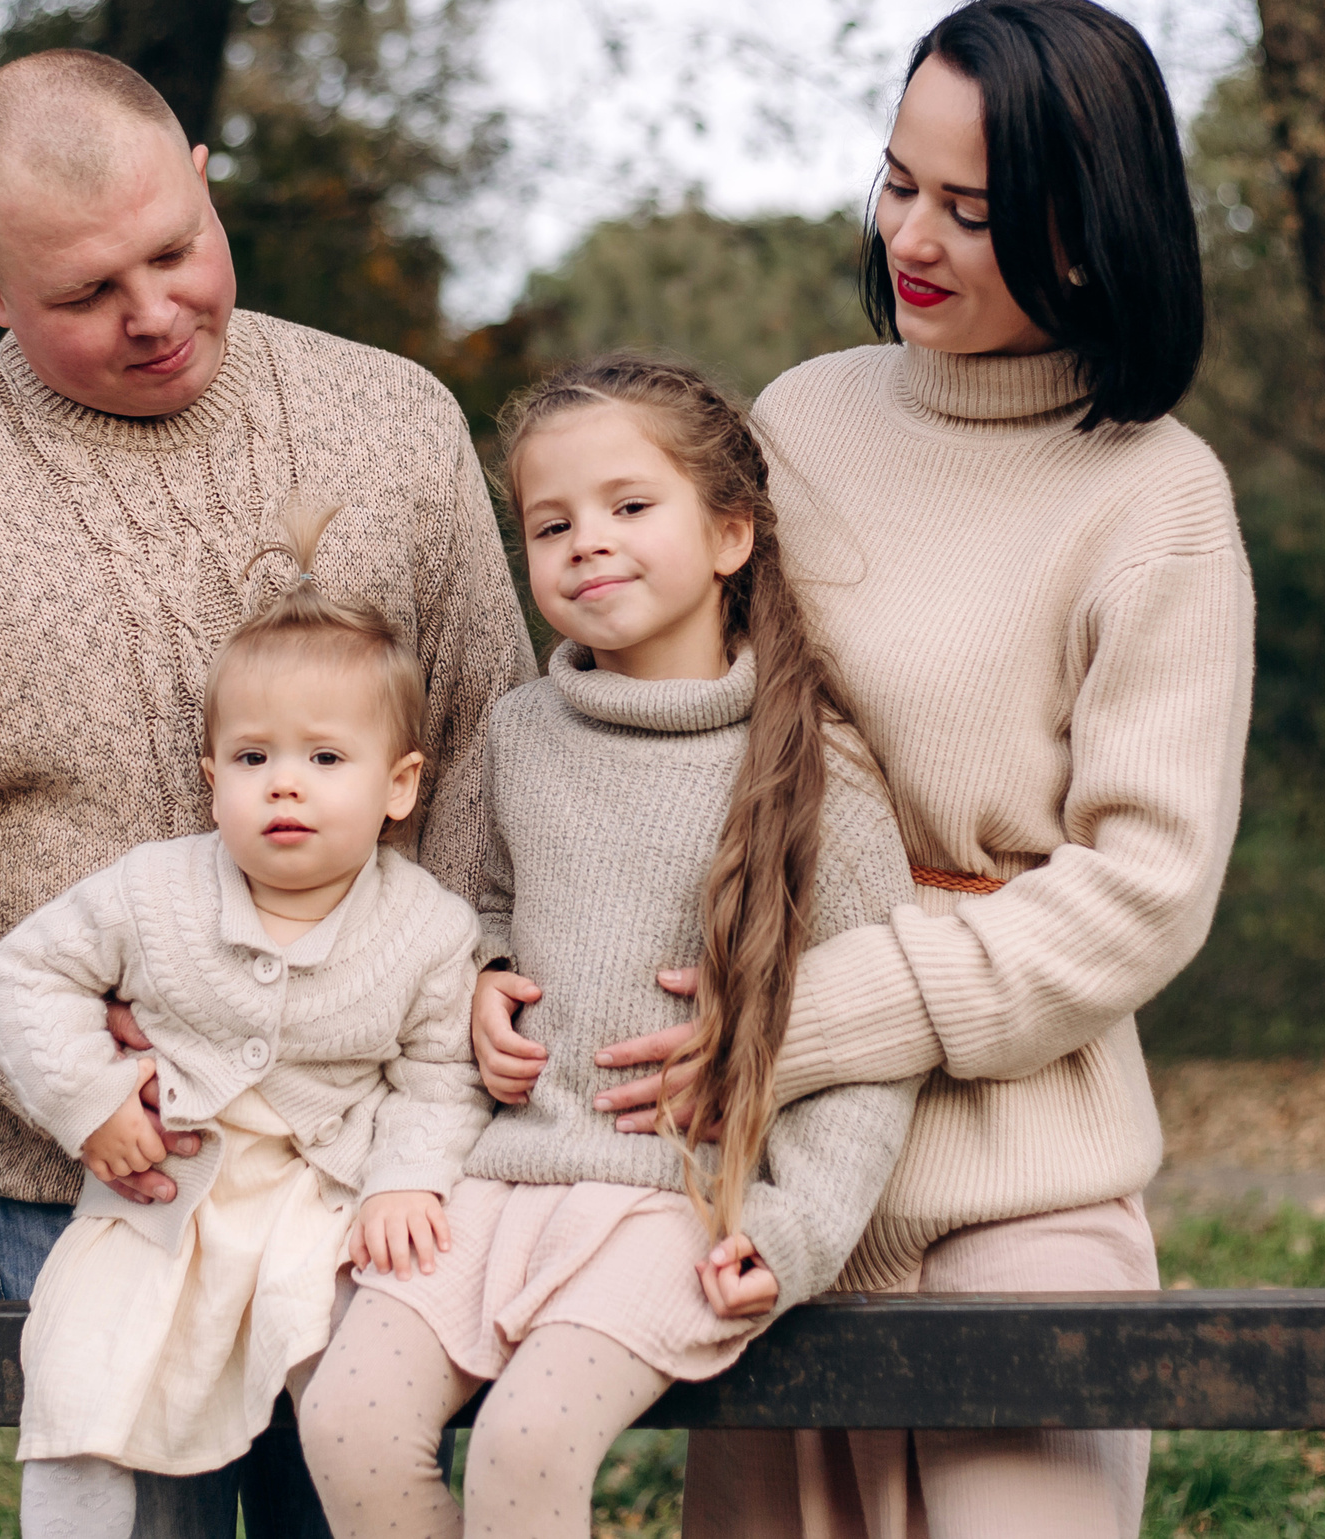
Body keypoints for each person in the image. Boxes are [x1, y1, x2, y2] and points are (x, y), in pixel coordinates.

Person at [0, 47, 533, 1539]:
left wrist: (459, 996)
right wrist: (32, 1047)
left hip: (373, 1164)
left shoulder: (396, 422)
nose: (154, 313)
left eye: (175, 251)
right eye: (87, 293)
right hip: (99, 1178)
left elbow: (485, 736)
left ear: (208, 181)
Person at [477, 0, 1256, 1538]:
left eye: (974, 210)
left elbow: (1143, 892)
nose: (913, 233)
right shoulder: (802, 423)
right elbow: (652, 740)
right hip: (751, 1193)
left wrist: (809, 1012)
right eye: (900, 180)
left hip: (1011, 1178)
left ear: (1088, 234)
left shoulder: (1159, 499)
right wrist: (501, 954)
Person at [297, 355, 924, 1539]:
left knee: (526, 1447)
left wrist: (796, 1232)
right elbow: (464, 913)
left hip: (674, 1207)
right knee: (346, 1422)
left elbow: (875, 1051)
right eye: (551, 524)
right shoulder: (518, 733)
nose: (588, 541)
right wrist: (478, 983)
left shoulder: (812, 768)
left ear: (731, 534)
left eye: (631, 508)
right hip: (494, 1186)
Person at [0, 507, 490, 1539]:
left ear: (398, 787)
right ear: (213, 784)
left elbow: (443, 1075)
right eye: (253, 759)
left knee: (360, 1411)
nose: (285, 784)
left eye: (325, 759)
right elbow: (27, 973)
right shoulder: (153, 892)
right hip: (169, 1200)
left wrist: (406, 1180)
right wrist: (88, 1102)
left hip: (329, 1208)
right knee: (90, 1380)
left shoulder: (428, 929)